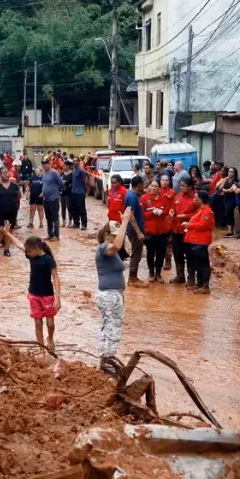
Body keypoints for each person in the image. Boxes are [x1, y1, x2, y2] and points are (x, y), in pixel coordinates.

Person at [1, 230, 60, 358]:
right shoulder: (31, 256)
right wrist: (7, 233)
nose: (26, 252)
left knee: (50, 323)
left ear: (35, 249)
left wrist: (58, 298)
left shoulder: (48, 259)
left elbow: (55, 277)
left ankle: (50, 338)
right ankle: (41, 349)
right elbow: (19, 244)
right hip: (33, 294)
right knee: (38, 322)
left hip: (47, 296)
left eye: (28, 250)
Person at [95, 208, 134, 373]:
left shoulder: (112, 252)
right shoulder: (105, 248)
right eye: (115, 234)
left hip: (114, 294)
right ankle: (108, 362)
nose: (118, 237)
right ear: (106, 235)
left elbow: (121, 253)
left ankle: (105, 360)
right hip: (109, 295)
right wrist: (125, 221)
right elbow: (117, 245)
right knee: (112, 329)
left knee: (109, 327)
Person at [183, 190, 215, 293]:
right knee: (197, 263)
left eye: (195, 198)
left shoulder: (207, 211)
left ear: (200, 200)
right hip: (194, 240)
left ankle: (205, 286)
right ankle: (200, 283)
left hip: (201, 241)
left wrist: (189, 225)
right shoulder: (200, 210)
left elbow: (203, 225)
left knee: (202, 263)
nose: (193, 199)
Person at [170, 178, 198, 285]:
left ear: (190, 187)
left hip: (189, 231)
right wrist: (171, 211)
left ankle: (191, 278)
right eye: (180, 186)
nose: (181, 188)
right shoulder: (178, 196)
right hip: (176, 230)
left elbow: (199, 213)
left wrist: (186, 216)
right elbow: (172, 207)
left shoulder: (196, 198)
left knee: (190, 254)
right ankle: (180, 276)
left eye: (183, 186)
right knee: (177, 253)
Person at [142, 180, 170, 282]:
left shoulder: (164, 199)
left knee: (160, 253)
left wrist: (162, 212)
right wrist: (152, 213)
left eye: (155, 186)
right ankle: (151, 273)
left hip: (162, 231)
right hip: (150, 231)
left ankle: (158, 273)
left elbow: (167, 211)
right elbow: (142, 214)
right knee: (150, 252)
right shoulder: (145, 198)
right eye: (152, 186)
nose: (153, 188)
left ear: (159, 188)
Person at [0, 166, 21, 257]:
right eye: (3, 173)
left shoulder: (14, 185)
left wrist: (14, 204)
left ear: (9, 173)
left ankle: (6, 250)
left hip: (12, 211)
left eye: (7, 173)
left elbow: (19, 196)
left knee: (9, 231)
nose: (5, 175)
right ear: (0, 175)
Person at [41, 160, 63, 241]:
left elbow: (60, 183)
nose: (45, 165)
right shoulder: (44, 173)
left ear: (49, 164)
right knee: (48, 218)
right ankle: (50, 234)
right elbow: (44, 185)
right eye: (43, 164)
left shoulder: (54, 173)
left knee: (55, 218)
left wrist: (57, 192)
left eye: (46, 164)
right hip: (46, 199)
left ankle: (56, 235)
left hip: (54, 199)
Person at [69, 158, 88, 231]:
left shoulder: (82, 171)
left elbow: (85, 182)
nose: (75, 162)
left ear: (79, 162)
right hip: (73, 192)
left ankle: (84, 224)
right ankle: (76, 223)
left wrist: (85, 192)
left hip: (80, 193)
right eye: (73, 161)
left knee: (81, 209)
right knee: (74, 209)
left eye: (76, 161)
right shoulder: (73, 170)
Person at [60, 162, 72, 227]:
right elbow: (59, 181)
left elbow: (72, 184)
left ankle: (70, 221)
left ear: (68, 166)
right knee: (63, 207)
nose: (63, 167)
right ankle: (63, 221)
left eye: (64, 166)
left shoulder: (72, 174)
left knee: (69, 207)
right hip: (62, 193)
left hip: (69, 193)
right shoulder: (62, 173)